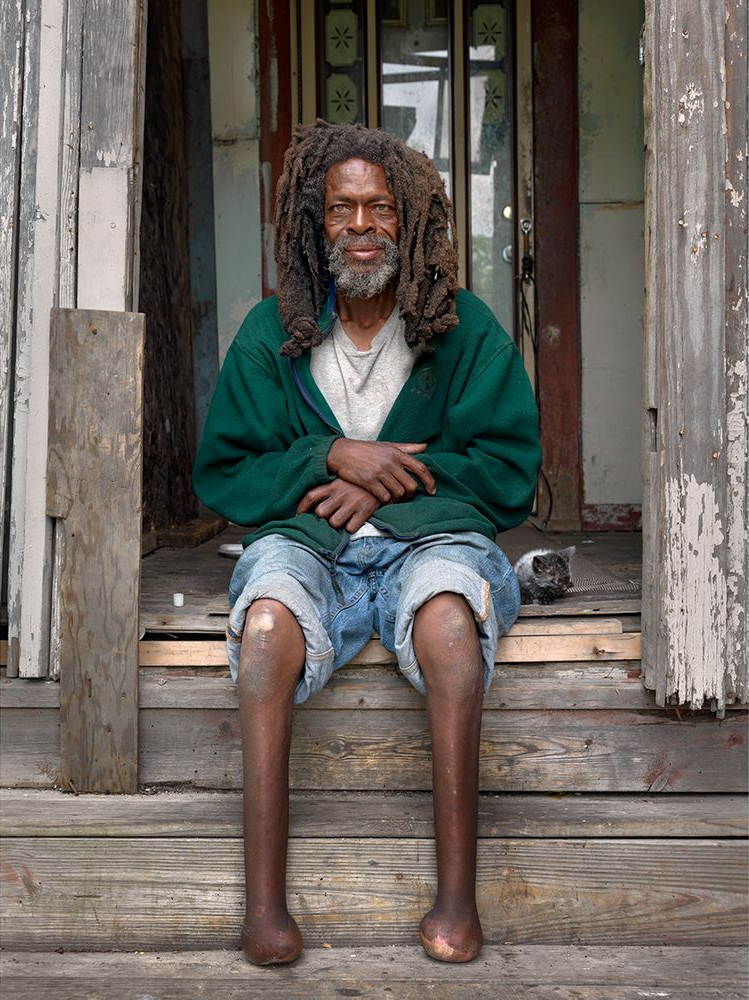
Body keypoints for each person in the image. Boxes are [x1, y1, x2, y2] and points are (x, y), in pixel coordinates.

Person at [192, 120, 541, 966]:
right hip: (311, 546)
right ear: (315, 225)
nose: (359, 226)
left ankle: (457, 905)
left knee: (452, 628)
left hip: (429, 544)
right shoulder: (270, 333)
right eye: (340, 209)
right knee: (268, 629)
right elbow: (227, 471)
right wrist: (331, 455)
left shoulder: (465, 330)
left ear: (409, 219)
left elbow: (506, 472)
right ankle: (264, 911)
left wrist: (380, 485)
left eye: (378, 207)